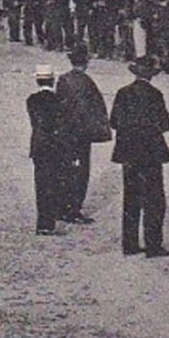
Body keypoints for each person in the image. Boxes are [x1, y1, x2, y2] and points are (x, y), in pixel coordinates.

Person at [110, 55, 169, 257]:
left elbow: (113, 122)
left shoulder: (122, 93)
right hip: (151, 154)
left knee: (131, 198)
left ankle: (129, 245)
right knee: (154, 200)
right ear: (151, 76)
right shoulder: (155, 95)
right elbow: (166, 125)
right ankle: (153, 245)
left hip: (128, 153)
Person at [56, 49, 112, 224]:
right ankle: (73, 209)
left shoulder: (63, 80)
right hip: (81, 135)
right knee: (80, 172)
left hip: (65, 133)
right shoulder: (87, 82)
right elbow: (93, 110)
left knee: (65, 169)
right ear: (86, 63)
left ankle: (62, 206)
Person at [27, 65, 69, 236]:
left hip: (38, 145)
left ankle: (43, 222)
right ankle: (53, 217)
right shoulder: (59, 100)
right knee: (56, 181)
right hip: (55, 145)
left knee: (41, 183)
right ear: (52, 80)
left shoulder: (31, 100)